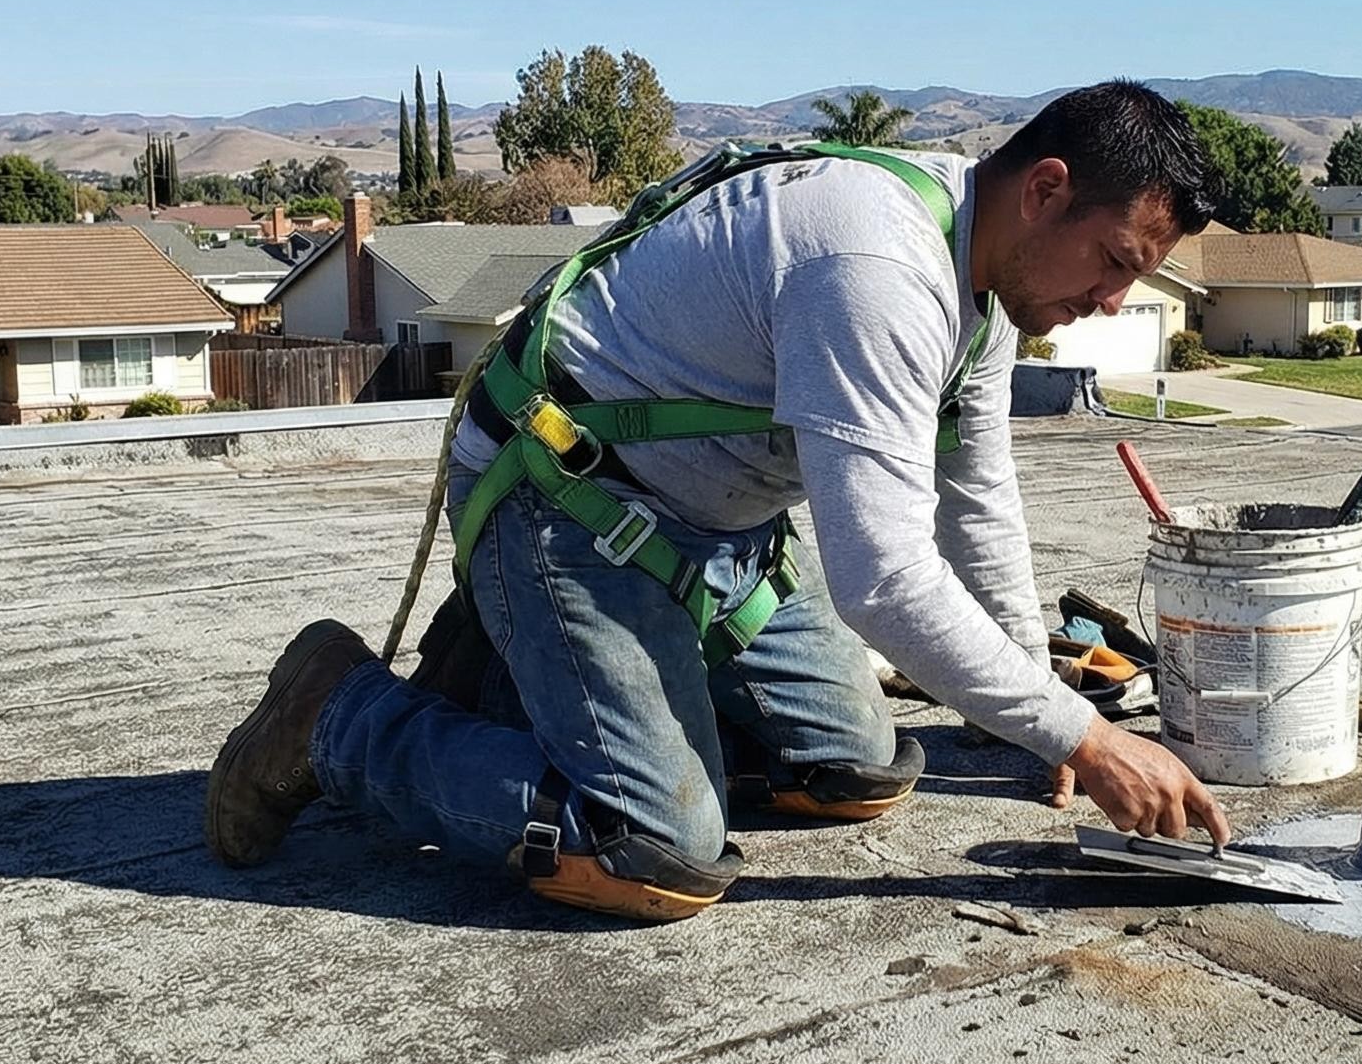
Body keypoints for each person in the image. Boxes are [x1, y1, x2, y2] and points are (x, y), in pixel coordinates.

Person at [205, 80, 1230, 921]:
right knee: (649, 850)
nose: (1111, 302)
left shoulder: (991, 285)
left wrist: (1035, 709)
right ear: (1046, 190)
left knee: (857, 773)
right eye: (1115, 263)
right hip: (568, 508)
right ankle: (337, 715)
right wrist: (1089, 738)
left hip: (721, 536)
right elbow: (884, 581)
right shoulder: (875, 268)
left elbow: (979, 496)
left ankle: (541, 705)